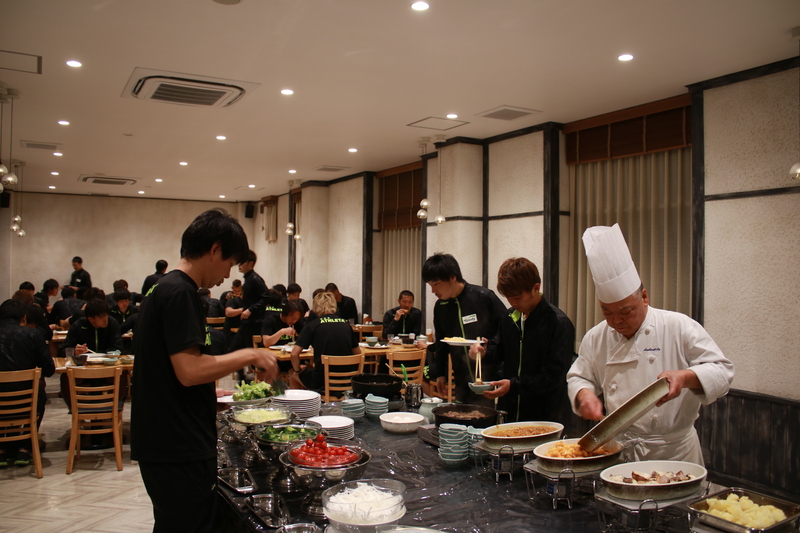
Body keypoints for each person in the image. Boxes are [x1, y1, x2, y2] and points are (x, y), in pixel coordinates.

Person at [131, 208, 277, 533]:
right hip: (177, 443)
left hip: (164, 437)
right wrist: (250, 353)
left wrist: (207, 394)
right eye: (229, 262)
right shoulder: (180, 291)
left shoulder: (162, 288)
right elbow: (189, 370)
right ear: (214, 250)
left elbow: (170, 368)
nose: (227, 274)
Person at [567, 223, 734, 465]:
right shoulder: (596, 336)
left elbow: (722, 371)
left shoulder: (678, 326)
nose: (616, 321)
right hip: (618, 450)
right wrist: (585, 396)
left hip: (674, 453)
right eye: (607, 312)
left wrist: (684, 377)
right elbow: (579, 376)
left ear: (644, 297)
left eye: (625, 311)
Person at [468, 258, 576, 428]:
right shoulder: (510, 317)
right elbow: (499, 351)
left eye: (517, 297)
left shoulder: (558, 323)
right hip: (510, 412)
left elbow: (553, 376)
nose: (512, 303)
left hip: (545, 416)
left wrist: (514, 386)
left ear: (536, 288)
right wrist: (483, 353)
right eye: (508, 298)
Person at [423, 253, 507, 404]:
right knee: (464, 415)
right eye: (430, 285)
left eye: (436, 284)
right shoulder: (441, 306)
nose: (433, 291)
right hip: (462, 380)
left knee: (491, 416)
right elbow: (441, 342)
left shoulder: (483, 297)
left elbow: (506, 331)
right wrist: (440, 373)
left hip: (492, 377)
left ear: (452, 277)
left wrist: (489, 349)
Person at [0, 299, 55, 467]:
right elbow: (49, 370)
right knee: (39, 392)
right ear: (24, 318)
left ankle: (2, 448)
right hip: (25, 400)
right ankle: (25, 447)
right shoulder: (33, 334)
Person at [290, 292, 360, 393]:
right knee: (309, 367)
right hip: (347, 380)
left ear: (315, 307)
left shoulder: (312, 326)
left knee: (293, 374)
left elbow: (294, 354)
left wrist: (297, 371)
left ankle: (304, 401)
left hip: (322, 382)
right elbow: (358, 353)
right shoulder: (346, 325)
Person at [227, 250, 270, 354]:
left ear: (250, 264)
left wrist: (250, 310)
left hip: (255, 322)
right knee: (236, 350)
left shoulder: (255, 278)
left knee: (245, 352)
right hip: (248, 321)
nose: (239, 265)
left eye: (242, 262)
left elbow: (267, 297)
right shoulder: (249, 278)